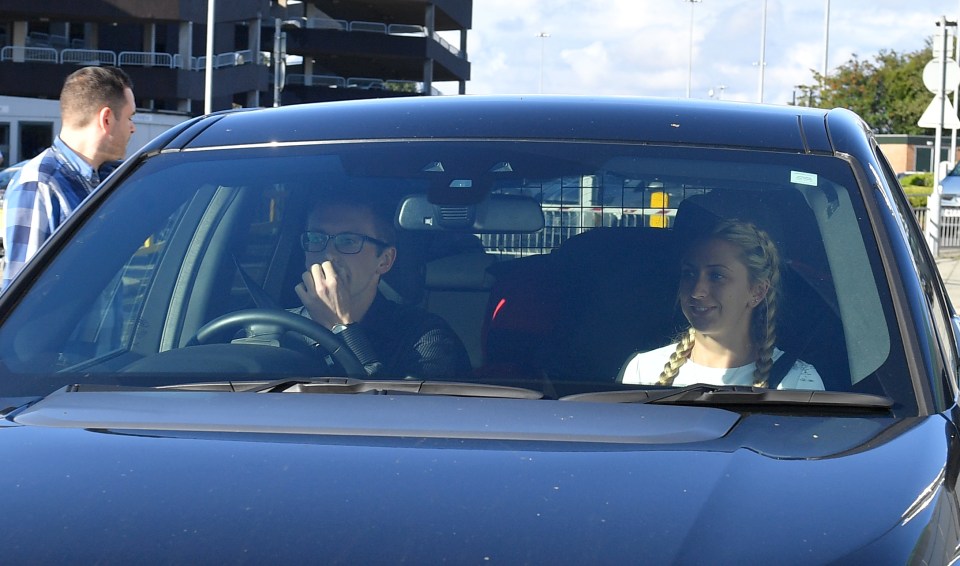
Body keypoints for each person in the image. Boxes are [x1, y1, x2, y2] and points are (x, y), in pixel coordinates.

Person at [618, 218, 823, 390]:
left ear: (757, 291)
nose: (698, 291)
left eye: (716, 276)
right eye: (689, 274)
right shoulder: (643, 371)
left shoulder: (797, 382)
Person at [291, 193, 473, 380]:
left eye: (348, 240)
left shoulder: (425, 337)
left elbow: (399, 407)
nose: (328, 254)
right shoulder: (274, 328)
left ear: (384, 261)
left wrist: (341, 328)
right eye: (316, 238)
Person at [2, 66, 136, 289]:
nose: (132, 128)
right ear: (107, 119)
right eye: (130, 117)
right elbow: (22, 295)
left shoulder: (110, 177)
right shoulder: (40, 185)